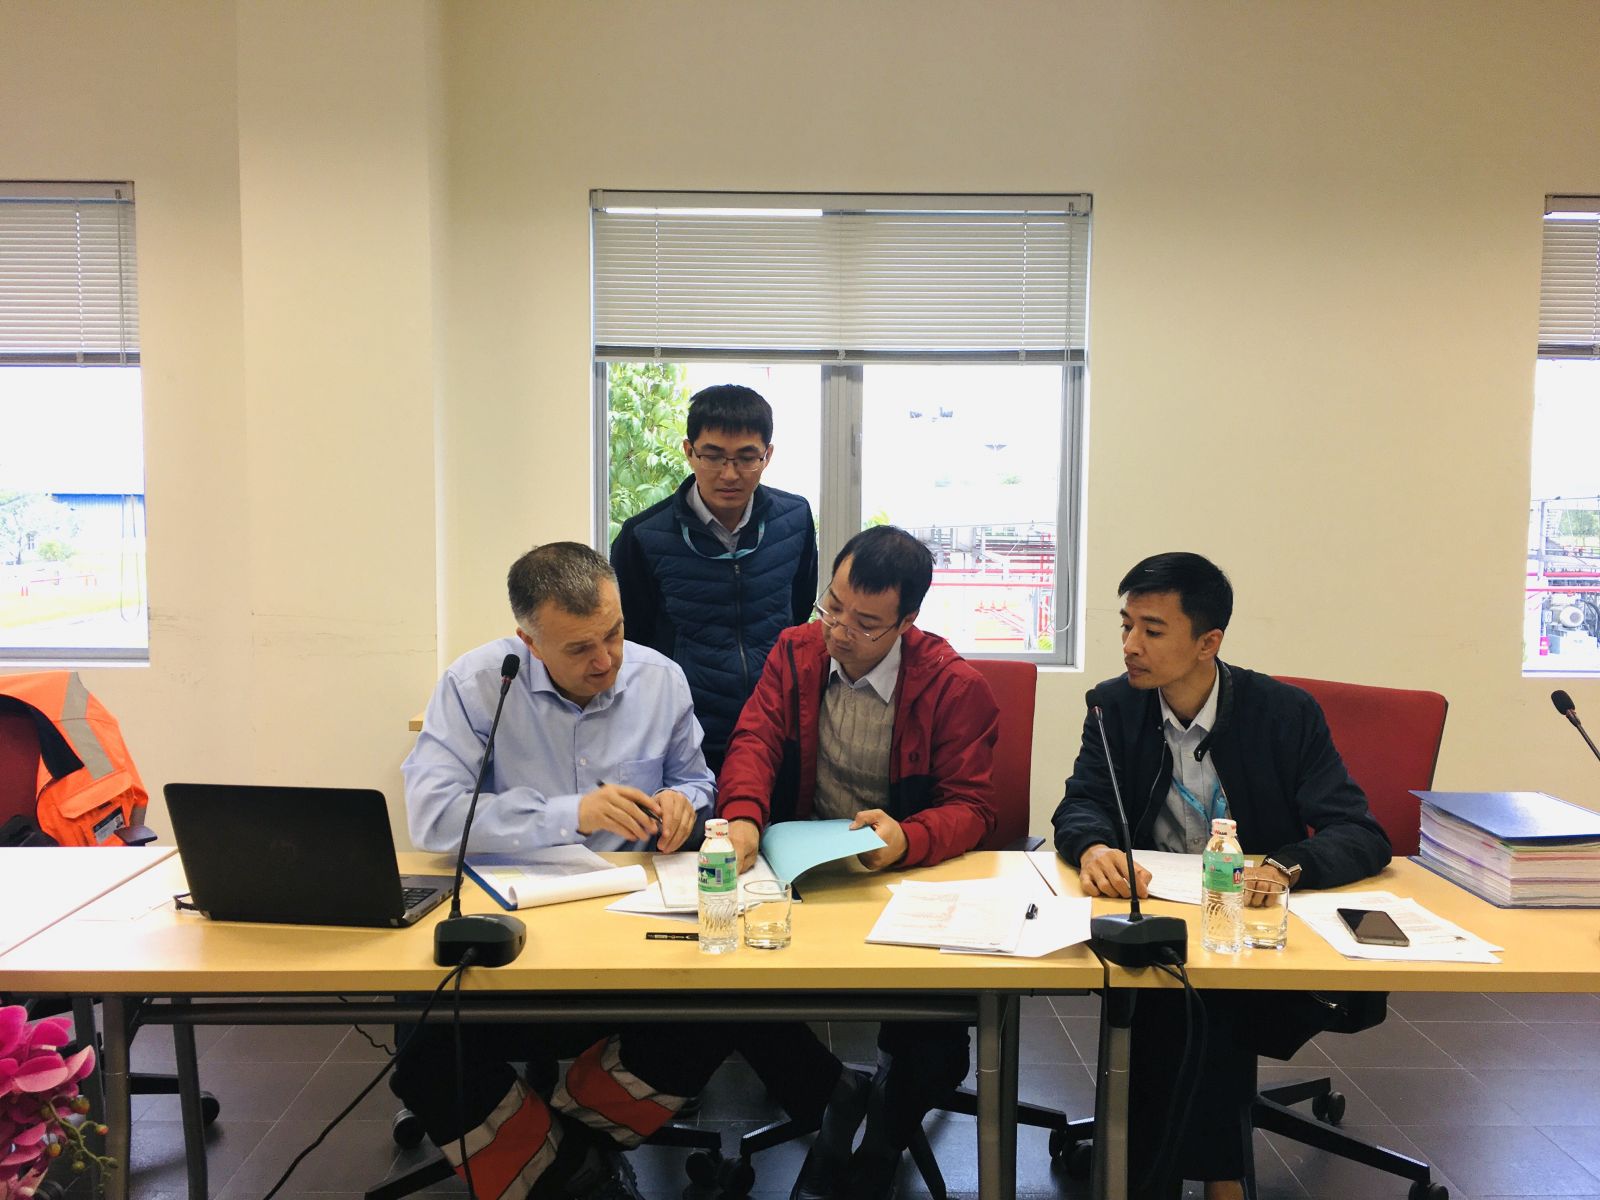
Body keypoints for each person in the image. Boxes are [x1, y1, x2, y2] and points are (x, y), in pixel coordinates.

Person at [1051, 552, 1391, 1200]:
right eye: (1125, 625)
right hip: (1155, 913)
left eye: (1152, 630)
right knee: (1175, 986)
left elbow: (1359, 831)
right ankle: (1215, 1177)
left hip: (1256, 928)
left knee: (1202, 996)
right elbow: (1082, 802)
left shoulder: (1283, 714)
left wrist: (1284, 866)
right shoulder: (1113, 707)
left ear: (1208, 643)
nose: (1129, 645)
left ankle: (1177, 1178)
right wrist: (1093, 847)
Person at [394, 541, 717, 1200]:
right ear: (530, 642)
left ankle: (561, 1158)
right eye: (579, 648)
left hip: (634, 921)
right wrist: (569, 813)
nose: (605, 660)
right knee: (425, 1046)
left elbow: (696, 778)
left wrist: (685, 802)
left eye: (614, 634)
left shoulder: (660, 680)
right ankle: (577, 1172)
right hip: (512, 925)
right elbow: (435, 815)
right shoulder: (477, 684)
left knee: (718, 1009)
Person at [717, 525, 1001, 1200]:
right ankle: (832, 1097)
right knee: (728, 989)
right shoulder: (796, 651)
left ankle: (883, 1139)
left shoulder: (953, 685)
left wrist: (908, 838)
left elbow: (973, 807)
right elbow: (754, 739)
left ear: (907, 622)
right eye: (833, 607)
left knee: (935, 1040)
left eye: (866, 623)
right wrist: (743, 816)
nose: (839, 632)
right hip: (806, 872)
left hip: (903, 876)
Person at [610, 383, 817, 772]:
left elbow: (798, 605)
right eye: (713, 456)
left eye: (747, 458)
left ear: (768, 455)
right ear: (689, 451)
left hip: (776, 725)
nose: (730, 474)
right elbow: (633, 641)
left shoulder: (795, 518)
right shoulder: (643, 536)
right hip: (687, 733)